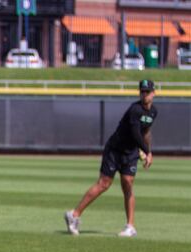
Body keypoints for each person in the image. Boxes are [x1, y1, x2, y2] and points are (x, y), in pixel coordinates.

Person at [65, 79, 157, 237]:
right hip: (115, 150)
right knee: (104, 184)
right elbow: (135, 133)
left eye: (147, 92)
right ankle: (73, 215)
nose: (144, 95)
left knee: (128, 184)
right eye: (142, 92)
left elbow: (146, 132)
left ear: (154, 94)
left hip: (131, 152)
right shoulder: (135, 110)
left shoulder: (153, 112)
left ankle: (130, 226)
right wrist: (146, 151)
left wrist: (149, 151)